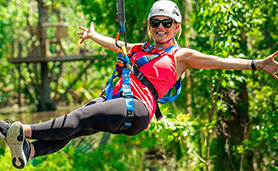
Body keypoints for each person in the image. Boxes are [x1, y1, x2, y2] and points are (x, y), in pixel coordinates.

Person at [0, 0, 278, 169]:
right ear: (149, 25)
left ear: (176, 27)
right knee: (77, 127)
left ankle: (22, 130)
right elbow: (115, 44)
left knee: (79, 116)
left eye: (167, 23)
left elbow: (220, 60)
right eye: (155, 22)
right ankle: (28, 149)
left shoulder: (180, 56)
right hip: (116, 102)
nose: (160, 27)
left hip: (138, 108)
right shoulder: (138, 48)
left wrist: (256, 63)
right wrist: (95, 36)